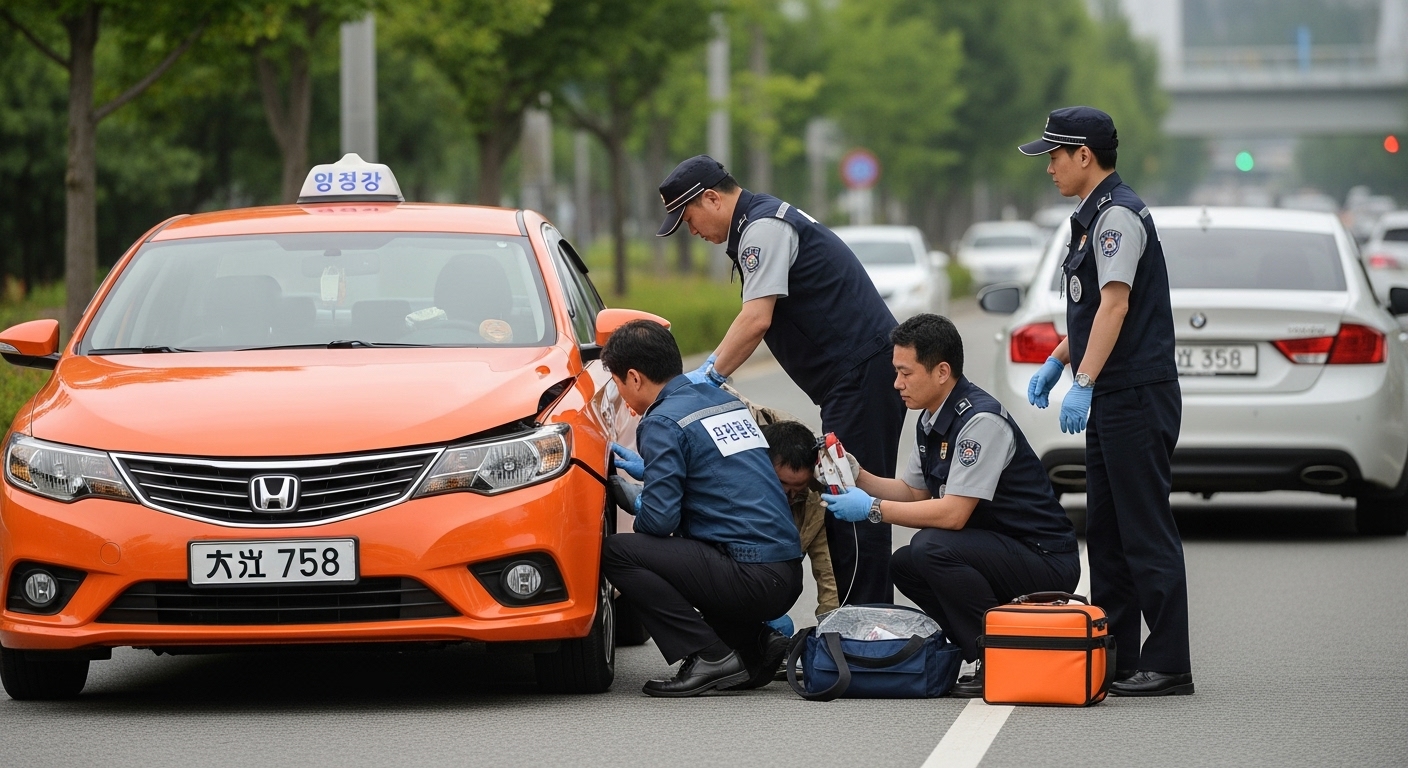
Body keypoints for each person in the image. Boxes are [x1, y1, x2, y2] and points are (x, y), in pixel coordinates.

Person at [654, 155, 905, 605]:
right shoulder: (760, 221)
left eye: (688, 218)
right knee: (844, 502)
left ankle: (867, 626)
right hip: (852, 378)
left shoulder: (762, 229)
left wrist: (707, 377)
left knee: (851, 508)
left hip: (859, 375)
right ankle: (860, 620)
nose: (691, 231)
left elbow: (756, 319)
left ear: (711, 198)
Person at [1019, 106, 1193, 696]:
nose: (1049, 168)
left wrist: (1084, 380)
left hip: (1134, 394)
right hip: (1114, 395)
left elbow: (1117, 305)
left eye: (1054, 156)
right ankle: (1117, 655)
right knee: (1109, 533)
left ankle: (1168, 662)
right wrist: (1059, 359)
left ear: (1084, 155)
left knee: (1144, 529)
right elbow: (1097, 311)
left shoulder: (1116, 217)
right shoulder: (1093, 215)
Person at [817, 314, 1080, 698]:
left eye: (905, 373)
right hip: (995, 552)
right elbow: (914, 492)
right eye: (896, 371)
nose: (897, 383)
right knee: (905, 564)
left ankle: (998, 657)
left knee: (931, 547)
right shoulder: (930, 418)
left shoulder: (980, 421)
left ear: (942, 372)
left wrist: (872, 508)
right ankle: (981, 647)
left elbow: (953, 515)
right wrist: (857, 475)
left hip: (1043, 559)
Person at [599, 320, 803, 697]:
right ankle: (755, 643)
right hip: (786, 571)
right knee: (696, 552)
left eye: (617, 383)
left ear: (635, 377)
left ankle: (709, 656)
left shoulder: (661, 421)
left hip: (751, 576)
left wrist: (635, 497)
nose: (621, 394)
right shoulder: (721, 400)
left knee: (619, 553)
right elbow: (720, 479)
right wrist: (655, 472)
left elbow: (659, 522)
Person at [758, 419, 841, 617]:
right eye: (782, 484)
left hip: (768, 594)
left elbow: (828, 574)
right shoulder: (735, 489)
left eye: (798, 487)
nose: (789, 495)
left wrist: (831, 624)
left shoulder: (816, 503)